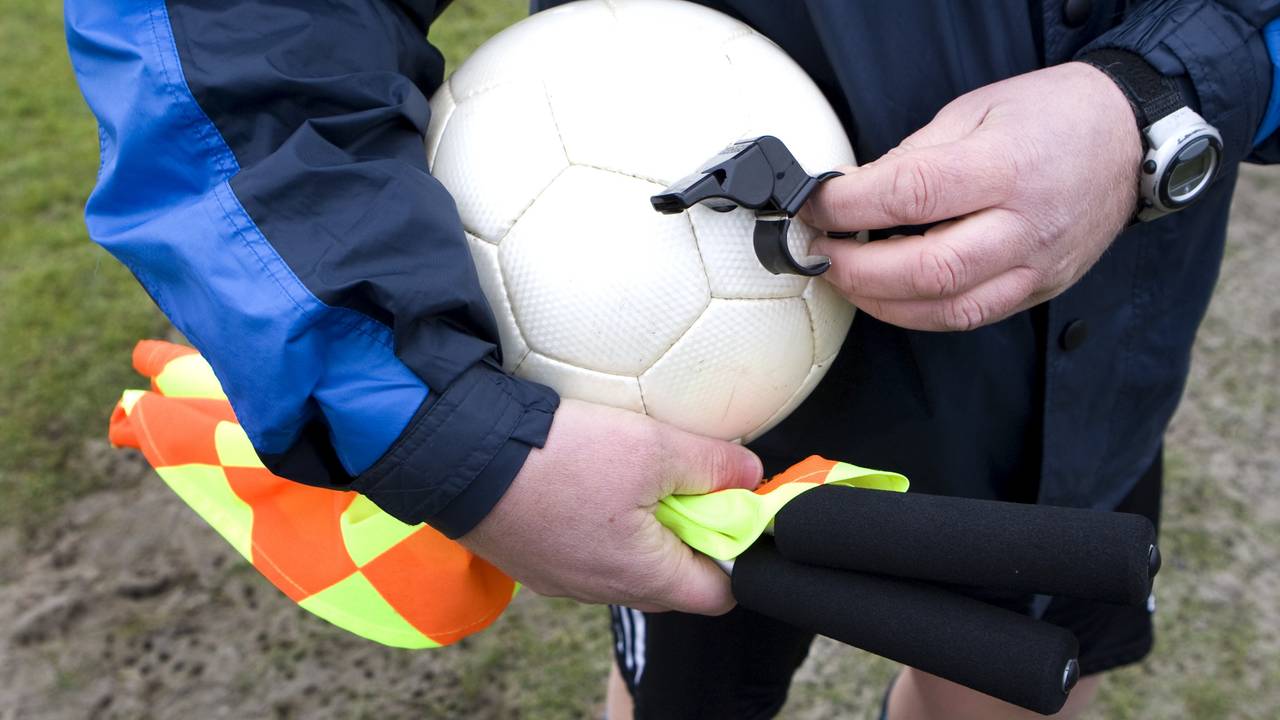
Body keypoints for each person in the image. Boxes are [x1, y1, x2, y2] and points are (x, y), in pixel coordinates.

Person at [65, 0, 1279, 718]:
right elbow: (234, 33)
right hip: (689, 411)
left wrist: (1154, 106)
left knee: (1010, 688)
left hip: (1092, 343)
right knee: (681, 703)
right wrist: (439, 427)